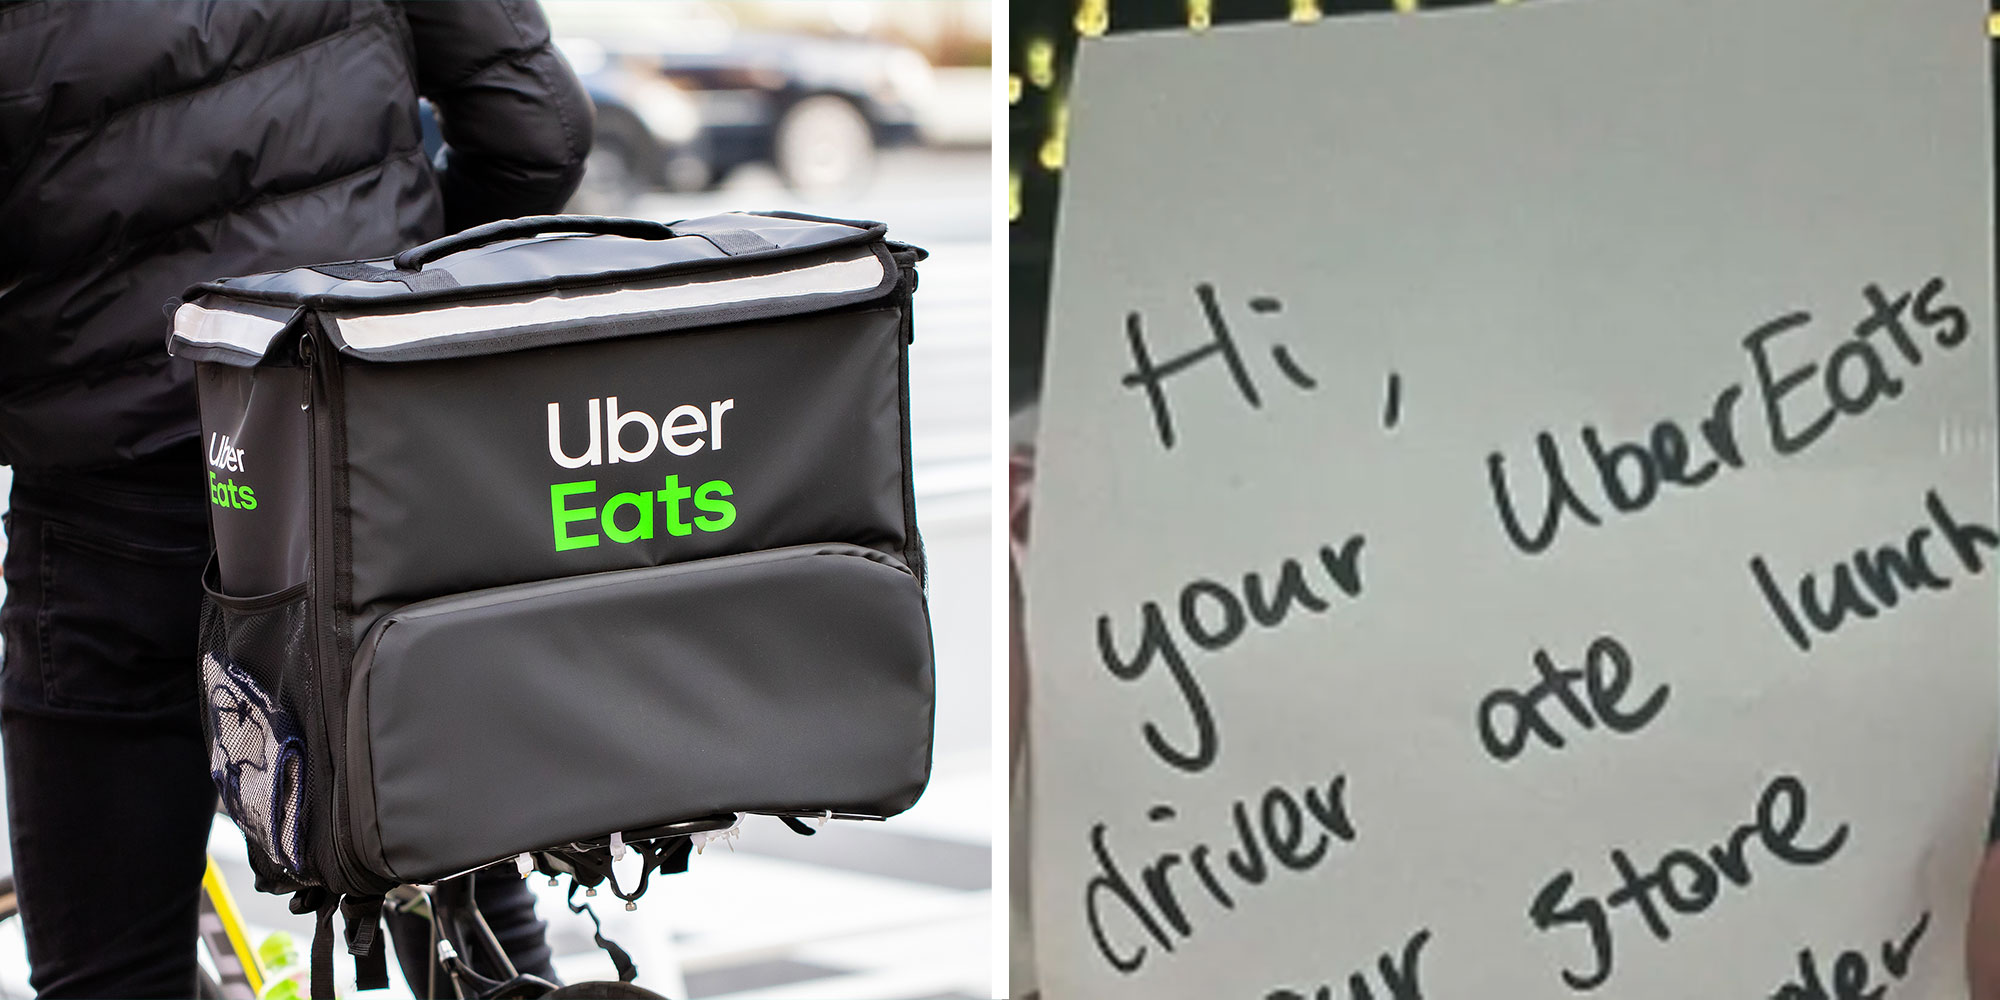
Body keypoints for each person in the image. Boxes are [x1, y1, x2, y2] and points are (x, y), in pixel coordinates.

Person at [0, 2, 593, 995]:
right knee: (457, 889)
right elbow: (537, 132)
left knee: (110, 959)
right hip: (363, 437)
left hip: (117, 484)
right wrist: (384, 301)